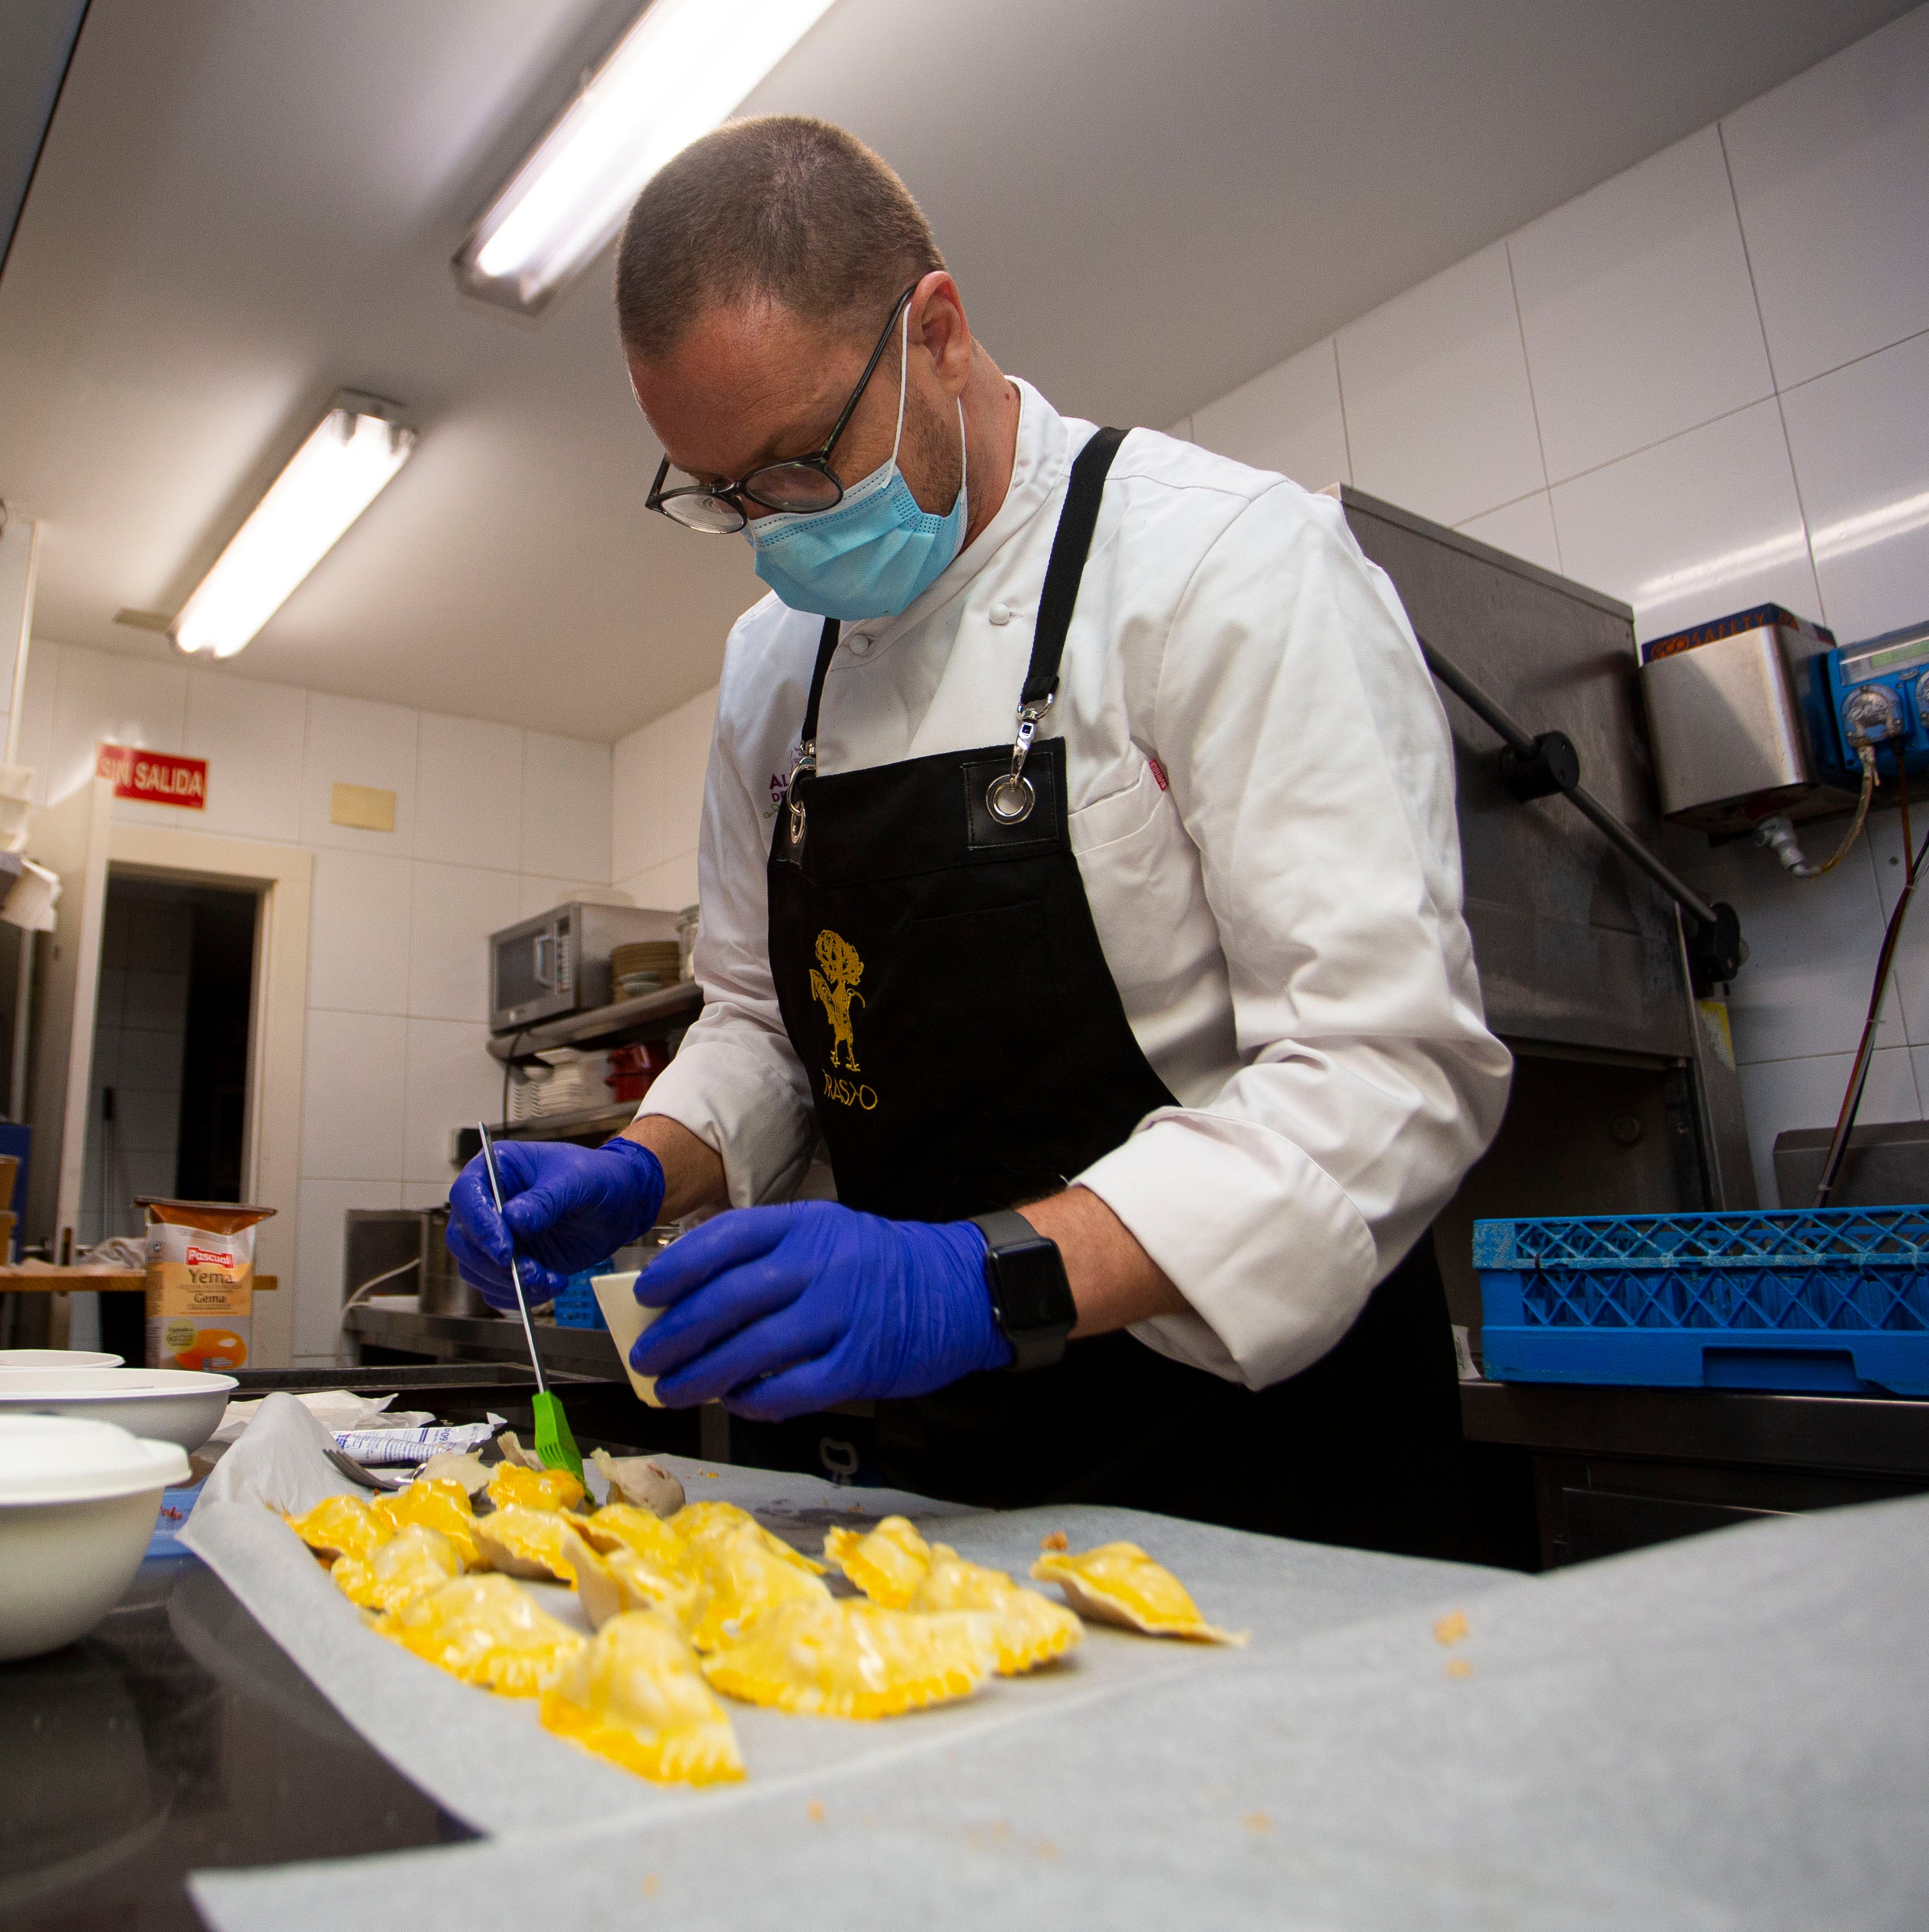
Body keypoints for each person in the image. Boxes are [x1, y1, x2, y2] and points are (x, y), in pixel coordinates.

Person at [449, 117, 1513, 1556]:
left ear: (935, 333)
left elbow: (1383, 1070)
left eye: (798, 465)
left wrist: (975, 1280)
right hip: (945, 1477)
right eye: (721, 495)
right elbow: (767, 1021)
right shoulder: (776, 665)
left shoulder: (1225, 570)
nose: (772, 529)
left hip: (1265, 1466)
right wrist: (649, 1162)